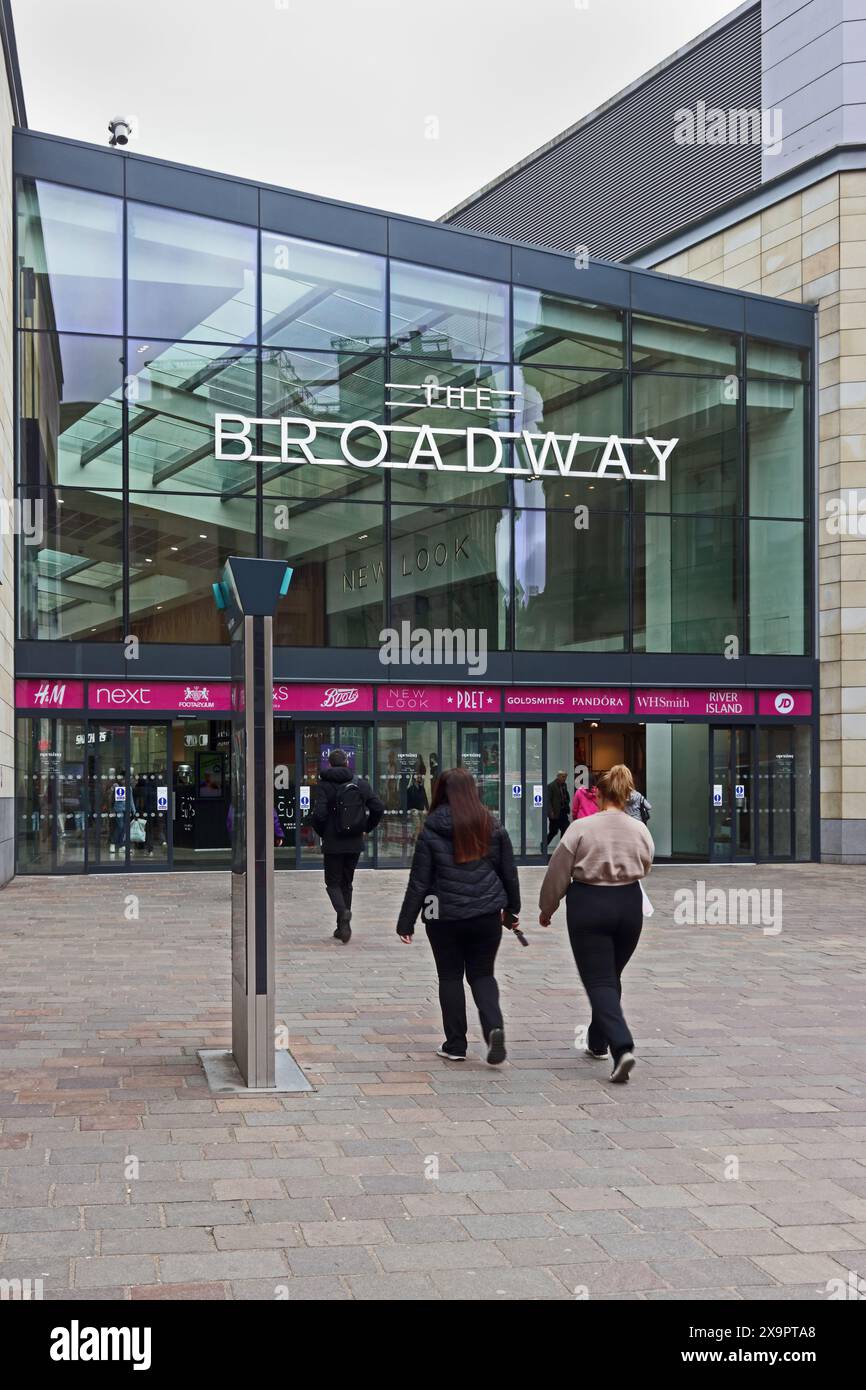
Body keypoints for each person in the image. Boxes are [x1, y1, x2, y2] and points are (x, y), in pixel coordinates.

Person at [396, 766, 520, 1065]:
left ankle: (455, 1045)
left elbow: (420, 881)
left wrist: (406, 921)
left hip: (444, 916)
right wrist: (512, 910)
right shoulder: (492, 823)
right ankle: (494, 1029)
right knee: (483, 974)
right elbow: (509, 872)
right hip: (486, 913)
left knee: (449, 976)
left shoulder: (431, 828)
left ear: (441, 791)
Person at [538, 764, 653, 1085]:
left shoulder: (581, 828)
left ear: (598, 794)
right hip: (629, 903)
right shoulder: (639, 828)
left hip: (589, 902)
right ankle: (598, 1040)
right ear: (628, 794)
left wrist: (547, 907)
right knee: (610, 975)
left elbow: (558, 871)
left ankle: (621, 1046)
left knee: (600, 980)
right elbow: (647, 864)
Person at [312, 748, 384, 943]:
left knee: (333, 883)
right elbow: (378, 807)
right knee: (347, 883)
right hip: (354, 841)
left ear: (330, 764)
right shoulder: (360, 783)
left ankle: (343, 915)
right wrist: (366, 828)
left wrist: (324, 833)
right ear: (346, 763)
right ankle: (343, 927)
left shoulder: (324, 785)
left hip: (333, 842)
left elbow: (318, 815)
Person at [546, 770, 570, 847]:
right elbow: (548, 800)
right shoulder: (551, 786)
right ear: (558, 776)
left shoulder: (564, 785)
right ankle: (544, 845)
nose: (564, 778)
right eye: (563, 776)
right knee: (553, 832)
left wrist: (567, 803)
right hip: (555, 812)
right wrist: (551, 812)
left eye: (565, 777)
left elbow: (565, 796)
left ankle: (561, 847)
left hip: (563, 811)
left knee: (565, 829)